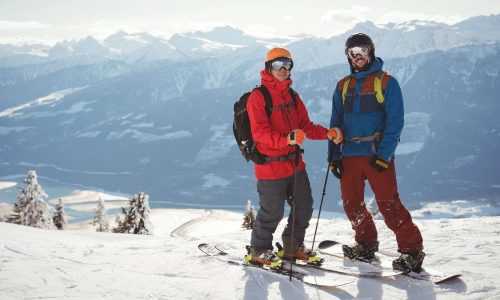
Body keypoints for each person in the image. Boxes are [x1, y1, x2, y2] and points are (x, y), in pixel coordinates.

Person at [327, 33, 425, 272]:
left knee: (388, 204)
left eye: (361, 50)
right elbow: (335, 123)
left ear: (370, 51)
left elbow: (395, 122)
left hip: (375, 155)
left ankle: (412, 251)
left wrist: (385, 154)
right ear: (348, 56)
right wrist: (333, 155)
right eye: (352, 52)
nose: (357, 56)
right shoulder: (343, 86)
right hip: (349, 154)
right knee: (352, 204)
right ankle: (365, 244)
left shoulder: (387, 83)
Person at [244, 47, 343, 268]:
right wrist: (287, 139)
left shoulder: (292, 96)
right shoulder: (257, 97)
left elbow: (305, 126)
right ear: (269, 67)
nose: (283, 69)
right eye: (278, 65)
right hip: (270, 168)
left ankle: (292, 247)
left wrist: (327, 133)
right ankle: (259, 250)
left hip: (295, 165)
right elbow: (259, 133)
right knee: (272, 212)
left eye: (287, 65)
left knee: (304, 206)